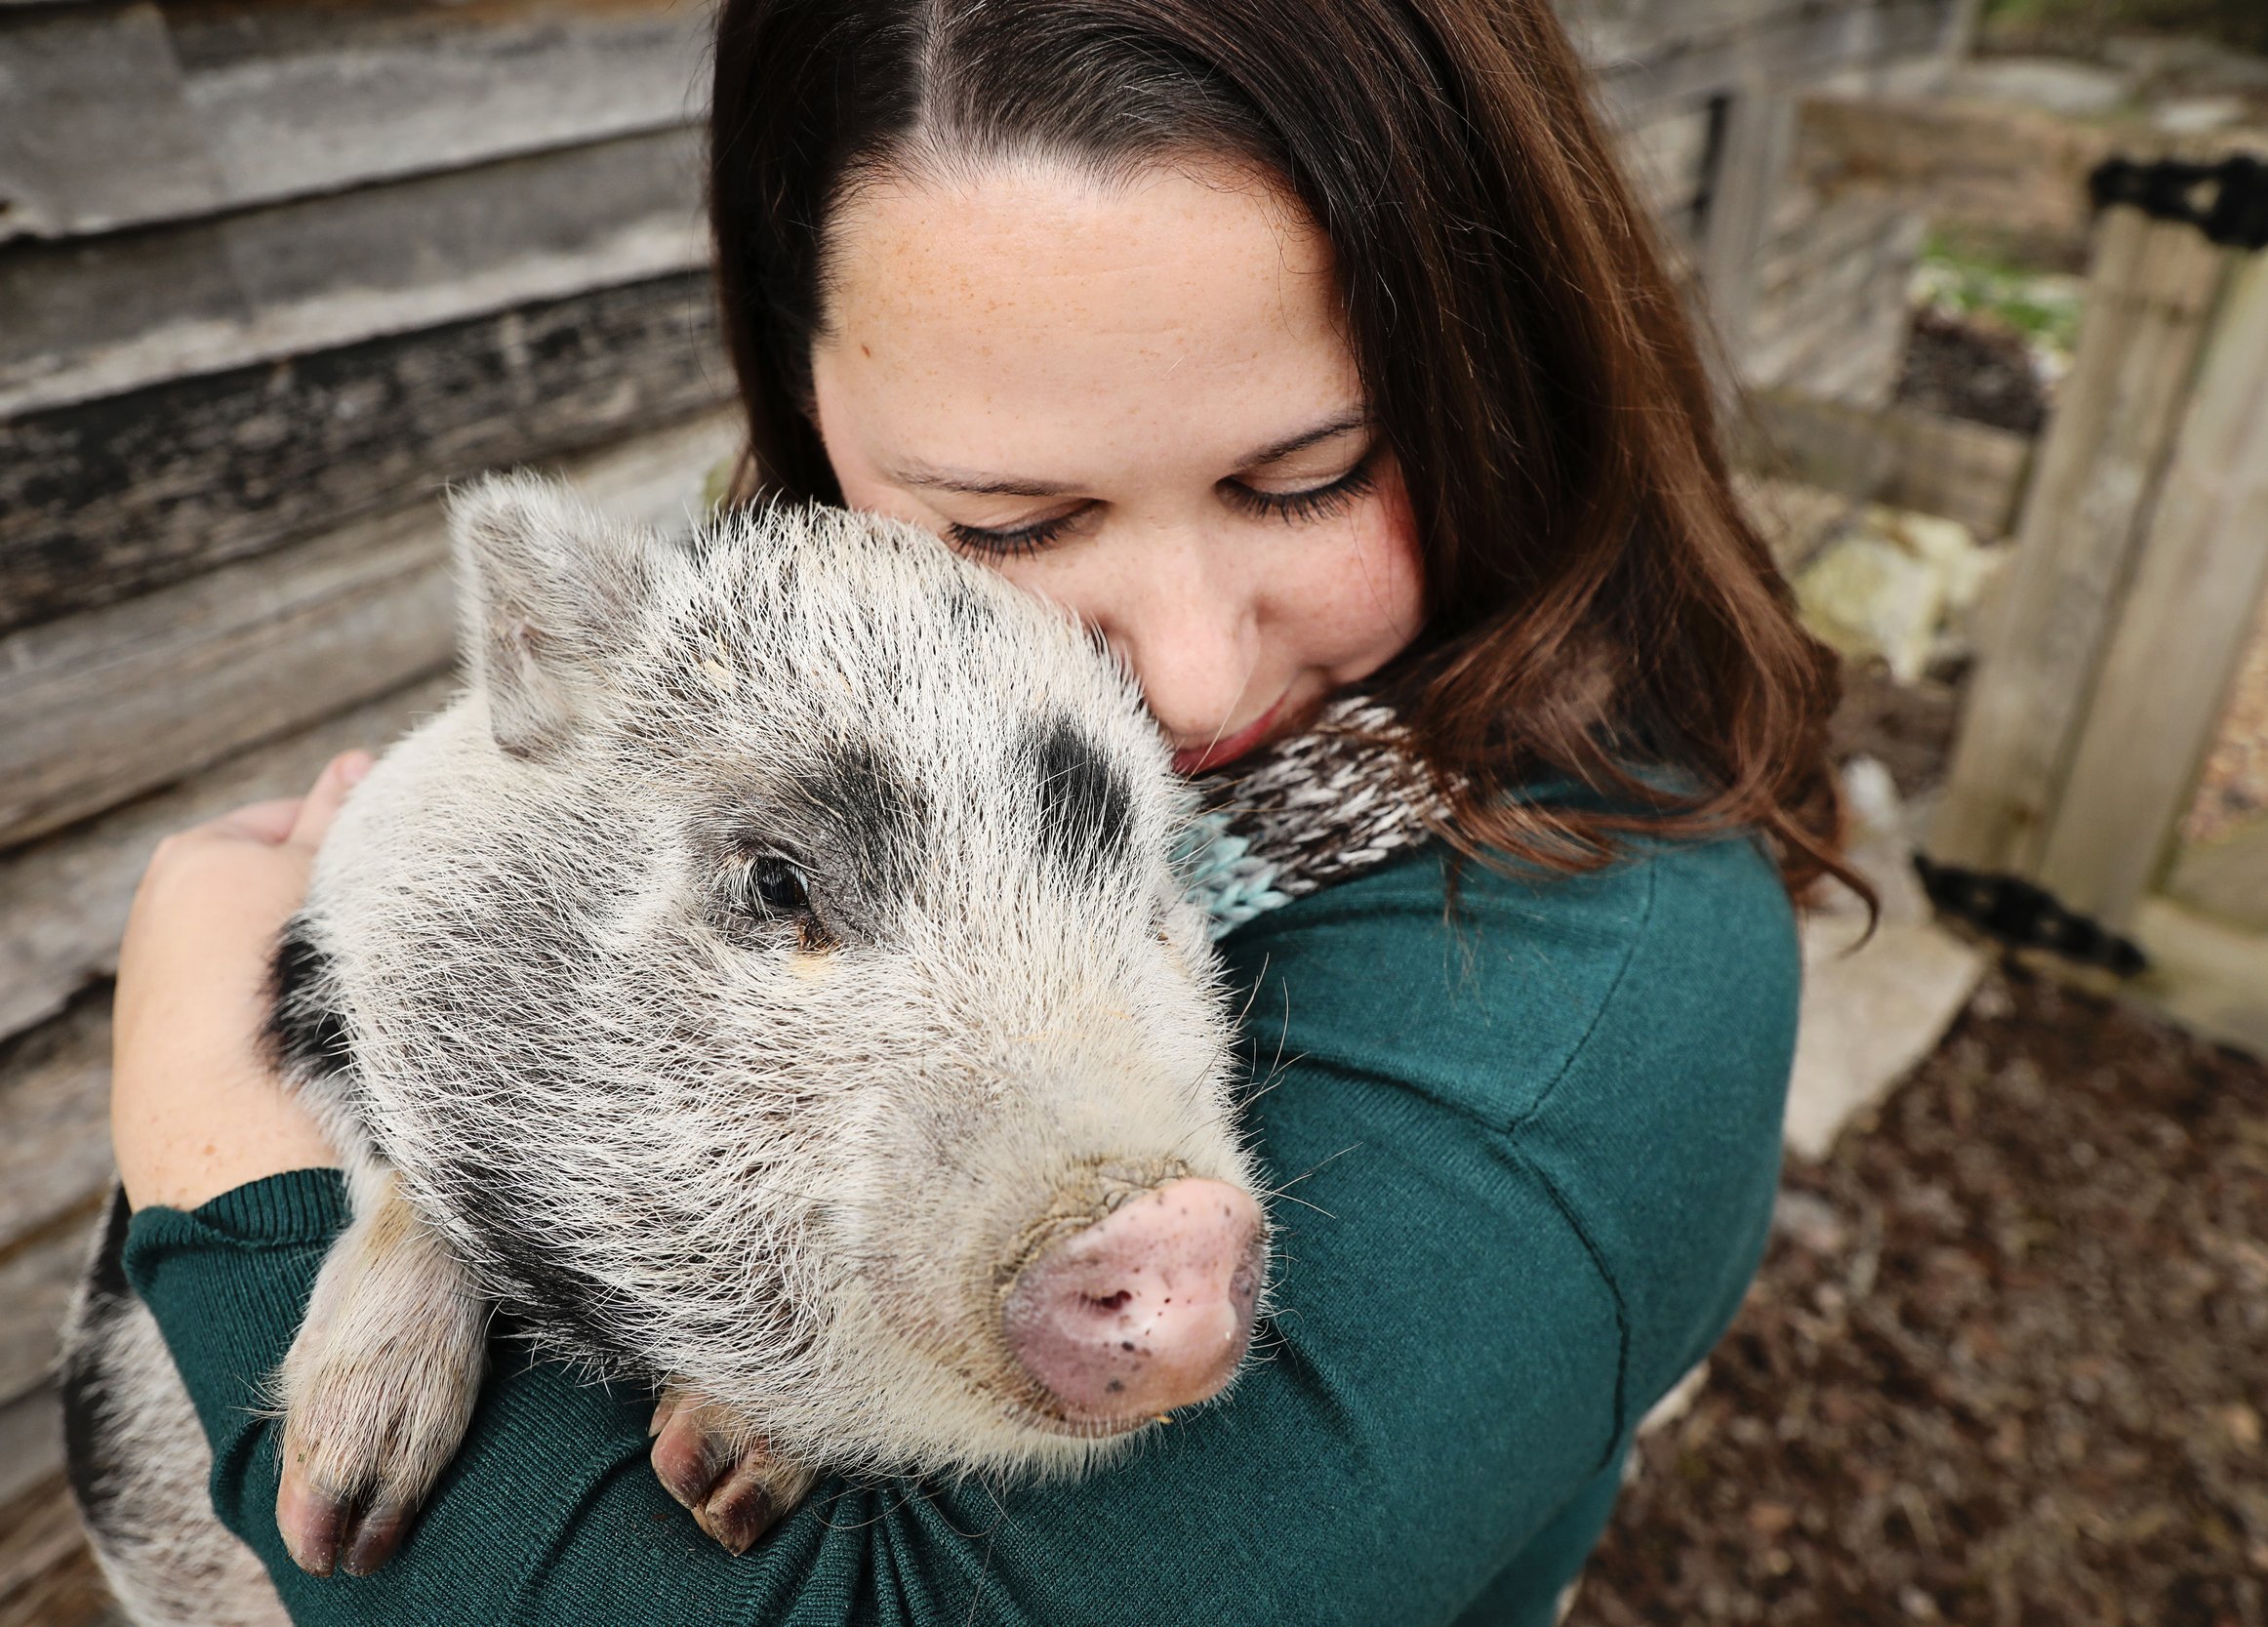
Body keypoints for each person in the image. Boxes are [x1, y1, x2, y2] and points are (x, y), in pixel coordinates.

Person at [108, 1, 1857, 1621]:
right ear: (812, 398)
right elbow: (552, 1010)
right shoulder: (787, 648)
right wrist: (410, 1209)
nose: (1181, 680)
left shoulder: (1607, 976)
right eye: (1016, 521)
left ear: (1501, 358)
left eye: (1308, 474)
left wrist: (217, 1154)